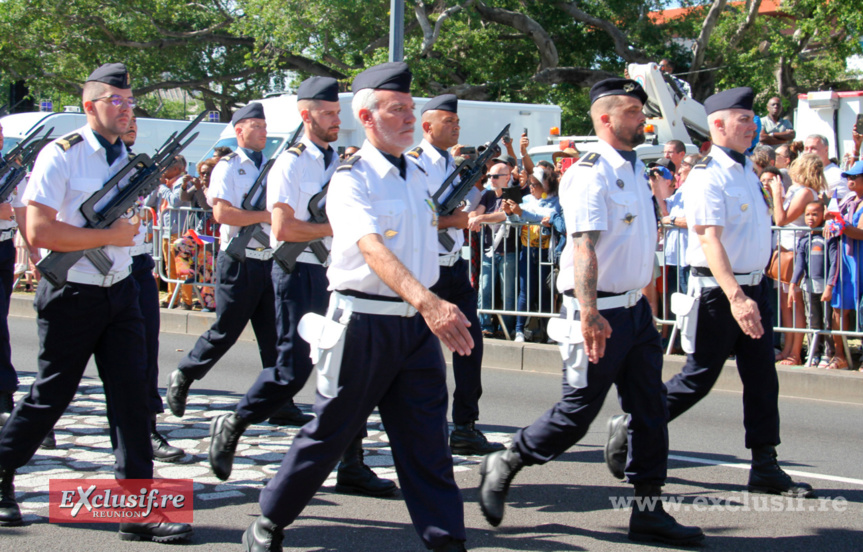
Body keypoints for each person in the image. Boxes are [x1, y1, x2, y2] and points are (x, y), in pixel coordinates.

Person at [242, 62, 471, 552]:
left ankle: (446, 539)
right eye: (398, 109)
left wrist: (429, 303)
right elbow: (370, 246)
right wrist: (430, 301)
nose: (411, 117)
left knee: (428, 443)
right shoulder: (351, 177)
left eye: (412, 109)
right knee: (330, 433)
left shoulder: (415, 176)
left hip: (414, 331)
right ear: (367, 118)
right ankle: (270, 519)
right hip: (364, 324)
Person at [477, 78, 703, 546]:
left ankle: (648, 511)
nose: (645, 119)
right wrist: (589, 311)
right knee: (576, 413)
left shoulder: (635, 168)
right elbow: (582, 245)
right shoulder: (589, 171)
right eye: (634, 112)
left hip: (633, 310)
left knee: (651, 409)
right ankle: (509, 458)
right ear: (606, 119)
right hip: (598, 312)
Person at [0, 62, 191, 541]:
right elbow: (39, 230)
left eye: (130, 102)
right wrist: (109, 234)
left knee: (132, 400)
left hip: (121, 290)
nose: (127, 110)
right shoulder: (61, 155)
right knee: (51, 398)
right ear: (90, 106)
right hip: (72, 293)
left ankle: (138, 507)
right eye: (117, 101)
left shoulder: (127, 158)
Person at [604, 87, 814, 500]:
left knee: (761, 378)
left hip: (754, 285)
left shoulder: (747, 172)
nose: (752, 126)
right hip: (721, 292)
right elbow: (710, 240)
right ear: (717, 125)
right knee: (699, 377)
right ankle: (633, 427)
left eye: (753, 119)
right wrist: (737, 297)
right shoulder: (707, 175)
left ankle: (765, 465)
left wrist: (752, 290)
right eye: (743, 119)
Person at [207, 76, 394, 497]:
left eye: (337, 113)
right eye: (327, 114)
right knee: (292, 368)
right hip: (298, 271)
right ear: (306, 116)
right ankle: (235, 420)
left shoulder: (342, 163)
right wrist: (335, 226)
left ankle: (352, 464)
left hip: (334, 274)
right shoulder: (290, 163)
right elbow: (283, 228)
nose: (335, 120)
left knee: (352, 370)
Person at [167, 103, 297, 425]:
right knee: (226, 330)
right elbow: (222, 214)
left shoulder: (273, 165)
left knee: (275, 336)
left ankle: (280, 404)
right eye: (257, 125)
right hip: (239, 261)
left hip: (269, 261)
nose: (264, 131)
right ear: (239, 131)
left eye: (265, 126)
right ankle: (184, 374)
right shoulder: (228, 166)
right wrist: (267, 216)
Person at [407, 94, 503, 455]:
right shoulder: (413, 164)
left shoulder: (453, 163)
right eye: (448, 121)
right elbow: (415, 219)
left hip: (454, 267)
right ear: (427, 126)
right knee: (418, 357)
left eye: (457, 122)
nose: (456, 126)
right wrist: (455, 221)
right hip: (425, 271)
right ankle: (418, 427)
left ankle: (464, 425)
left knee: (469, 348)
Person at [121, 115, 185, 462]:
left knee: (145, 352)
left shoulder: (139, 167)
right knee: (64, 364)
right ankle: (37, 424)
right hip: (92, 267)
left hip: (138, 264)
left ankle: (147, 427)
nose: (129, 124)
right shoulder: (84, 160)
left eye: (133, 120)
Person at [767, 154, 826, 366]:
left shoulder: (805, 192)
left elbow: (781, 219)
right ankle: (788, 349)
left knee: (795, 303)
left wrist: (776, 194)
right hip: (786, 249)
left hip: (795, 251)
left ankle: (795, 352)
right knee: (786, 304)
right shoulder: (799, 191)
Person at [507, 168, 561, 343]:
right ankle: (519, 330)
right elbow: (516, 221)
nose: (531, 188)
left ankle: (549, 332)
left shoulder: (556, 202)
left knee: (546, 293)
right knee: (525, 292)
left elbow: (543, 216)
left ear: (546, 186)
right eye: (530, 184)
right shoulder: (526, 200)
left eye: (535, 185)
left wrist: (521, 213)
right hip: (527, 251)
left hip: (547, 253)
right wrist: (510, 213)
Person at [468, 162, 518, 337]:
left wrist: (480, 217)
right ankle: (485, 325)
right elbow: (477, 212)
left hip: (508, 252)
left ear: (507, 177)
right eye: (489, 176)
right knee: (485, 288)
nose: (492, 179)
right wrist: (474, 216)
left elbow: (502, 215)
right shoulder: (488, 195)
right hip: (489, 251)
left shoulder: (513, 194)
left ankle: (507, 328)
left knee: (508, 293)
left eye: (495, 176)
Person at [822, 161, 863, 371]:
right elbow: (833, 222)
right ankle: (840, 355)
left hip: (861, 263)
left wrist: (840, 223)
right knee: (839, 310)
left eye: (854, 177)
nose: (850, 180)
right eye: (848, 176)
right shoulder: (847, 200)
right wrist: (830, 221)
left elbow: (861, 232)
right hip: (845, 263)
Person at [788, 201, 836, 368]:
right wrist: (794, 284)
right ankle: (813, 352)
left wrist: (829, 286)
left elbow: (834, 264)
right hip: (809, 287)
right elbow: (800, 264)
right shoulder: (804, 240)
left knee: (827, 320)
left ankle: (828, 353)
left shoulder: (828, 238)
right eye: (807, 214)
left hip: (826, 289)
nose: (811, 217)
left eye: (815, 214)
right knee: (812, 320)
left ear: (823, 215)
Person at [805, 134, 848, 199]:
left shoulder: (837, 175)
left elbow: (840, 203)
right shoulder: (801, 173)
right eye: (806, 148)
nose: (809, 152)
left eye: (813, 148)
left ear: (826, 149)